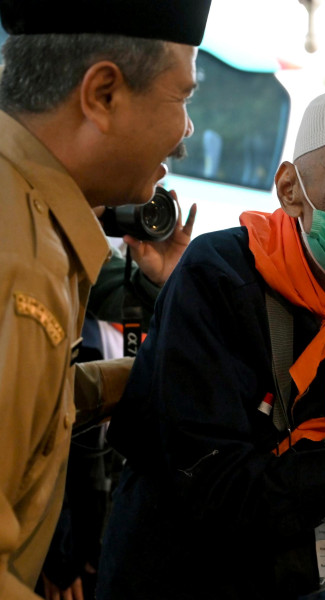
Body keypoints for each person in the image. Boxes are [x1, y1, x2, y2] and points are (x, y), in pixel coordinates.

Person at [97, 89, 325, 600]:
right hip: (181, 574)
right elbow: (216, 486)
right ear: (290, 189)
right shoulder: (219, 278)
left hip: (301, 576)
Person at [0, 1, 211, 597]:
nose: (187, 131)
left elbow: (37, 405)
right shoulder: (21, 265)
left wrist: (141, 377)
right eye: (183, 98)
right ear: (103, 94)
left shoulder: (28, 214)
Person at [39, 203, 197, 600]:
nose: (157, 179)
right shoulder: (51, 258)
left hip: (119, 537)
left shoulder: (134, 278)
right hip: (57, 541)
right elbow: (33, 431)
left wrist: (169, 280)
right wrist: (59, 550)